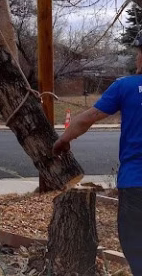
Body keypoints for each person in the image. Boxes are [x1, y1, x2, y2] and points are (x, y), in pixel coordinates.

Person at [53, 33, 142, 273]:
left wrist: (63, 140)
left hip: (136, 185)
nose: (136, 58)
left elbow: (88, 118)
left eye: (138, 53)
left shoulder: (125, 86)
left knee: (137, 250)